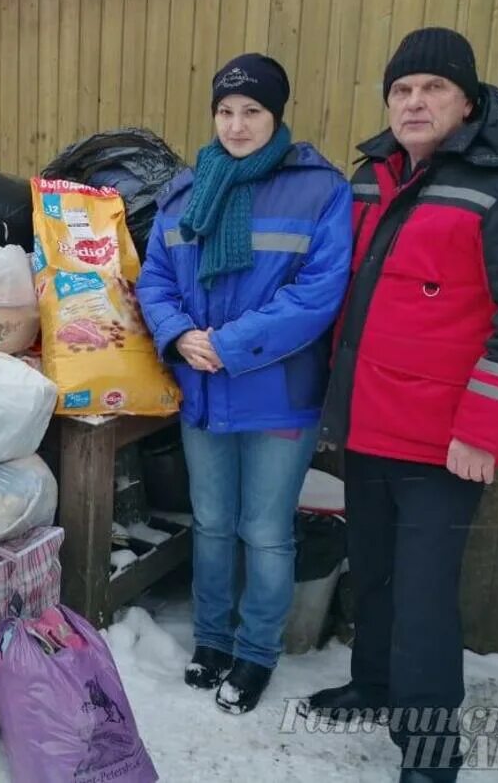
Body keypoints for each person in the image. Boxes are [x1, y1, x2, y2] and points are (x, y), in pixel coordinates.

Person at [308, 28, 498, 783]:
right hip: (368, 425)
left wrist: (484, 431)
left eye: (432, 88)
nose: (414, 101)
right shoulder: (373, 175)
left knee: (424, 597)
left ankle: (430, 752)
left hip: (445, 441)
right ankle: (376, 682)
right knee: (378, 570)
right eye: (401, 89)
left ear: (467, 99)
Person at [137, 54, 352, 714]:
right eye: (225, 111)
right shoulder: (183, 192)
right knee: (211, 524)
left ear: (276, 115)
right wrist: (177, 333)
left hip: (276, 394)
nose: (236, 124)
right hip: (203, 392)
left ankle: (256, 652)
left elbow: (320, 293)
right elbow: (155, 280)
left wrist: (227, 345)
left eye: (252, 111)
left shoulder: (319, 190)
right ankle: (210, 640)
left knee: (264, 529)